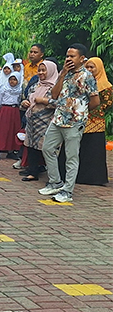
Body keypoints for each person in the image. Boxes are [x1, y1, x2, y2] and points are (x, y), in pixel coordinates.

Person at [39, 44, 100, 203]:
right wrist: (62, 74)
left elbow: (95, 101)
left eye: (72, 56)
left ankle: (67, 191)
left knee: (71, 156)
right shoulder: (64, 73)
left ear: (82, 59)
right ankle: (55, 182)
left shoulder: (87, 76)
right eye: (67, 56)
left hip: (75, 122)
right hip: (58, 118)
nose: (68, 59)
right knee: (47, 148)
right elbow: (54, 94)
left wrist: (80, 111)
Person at [75, 57, 111, 185]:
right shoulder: (82, 81)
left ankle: (94, 178)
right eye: (87, 67)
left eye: (92, 67)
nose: (89, 70)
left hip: (96, 122)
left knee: (93, 150)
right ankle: (77, 176)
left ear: (99, 68)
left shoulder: (106, 86)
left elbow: (106, 104)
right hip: (80, 119)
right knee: (79, 148)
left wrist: (90, 107)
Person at [20, 61, 58, 182]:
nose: (41, 73)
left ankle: (52, 175)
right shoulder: (36, 85)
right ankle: (32, 171)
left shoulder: (55, 87)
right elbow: (27, 98)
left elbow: (60, 103)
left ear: (51, 71)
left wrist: (44, 101)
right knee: (31, 146)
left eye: (44, 70)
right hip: (32, 121)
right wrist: (24, 103)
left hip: (45, 121)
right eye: (39, 70)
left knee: (45, 147)